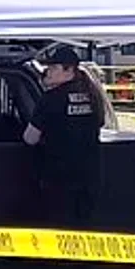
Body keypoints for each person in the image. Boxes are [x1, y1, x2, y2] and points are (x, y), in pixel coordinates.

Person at [23, 46, 105, 228]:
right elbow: (99, 124)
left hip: (59, 179)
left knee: (59, 229)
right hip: (89, 178)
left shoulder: (51, 99)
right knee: (84, 228)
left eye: (54, 68)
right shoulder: (93, 96)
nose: (48, 72)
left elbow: (30, 138)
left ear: (69, 70)